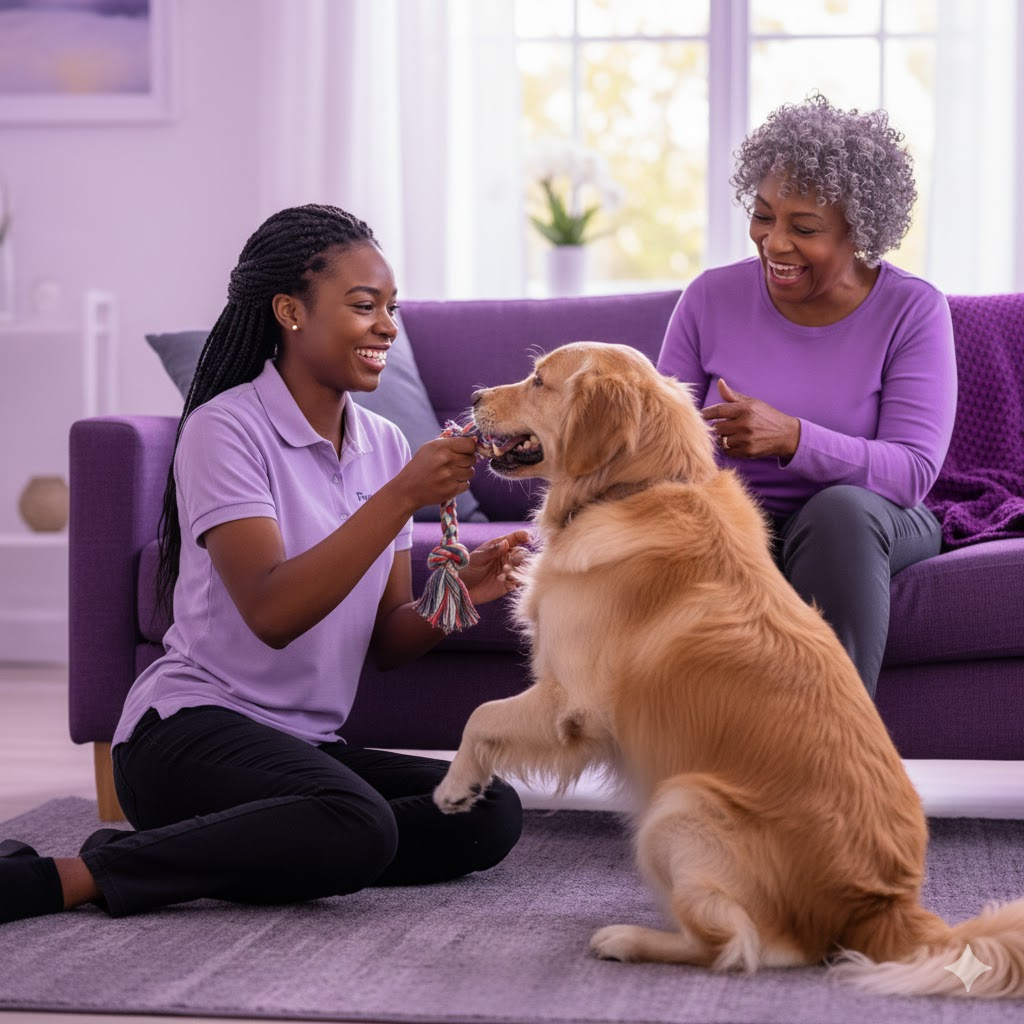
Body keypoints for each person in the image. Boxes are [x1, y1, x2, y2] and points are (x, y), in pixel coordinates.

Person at [1, 203, 527, 925]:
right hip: (186, 737)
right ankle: (72, 875)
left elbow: (388, 642)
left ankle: (279, 843)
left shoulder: (380, 442)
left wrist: (463, 590)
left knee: (485, 807)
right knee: (358, 823)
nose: (387, 327)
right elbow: (274, 613)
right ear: (290, 312)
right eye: (364, 306)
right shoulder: (226, 430)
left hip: (301, 748)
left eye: (391, 309)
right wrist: (404, 496)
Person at [657, 92, 957, 699]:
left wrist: (792, 438)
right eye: (764, 215)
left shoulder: (912, 309)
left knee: (838, 512)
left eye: (805, 228)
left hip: (872, 518)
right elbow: (658, 447)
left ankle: (829, 749)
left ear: (860, 230)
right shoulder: (709, 298)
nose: (773, 243)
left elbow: (912, 473)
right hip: (740, 517)